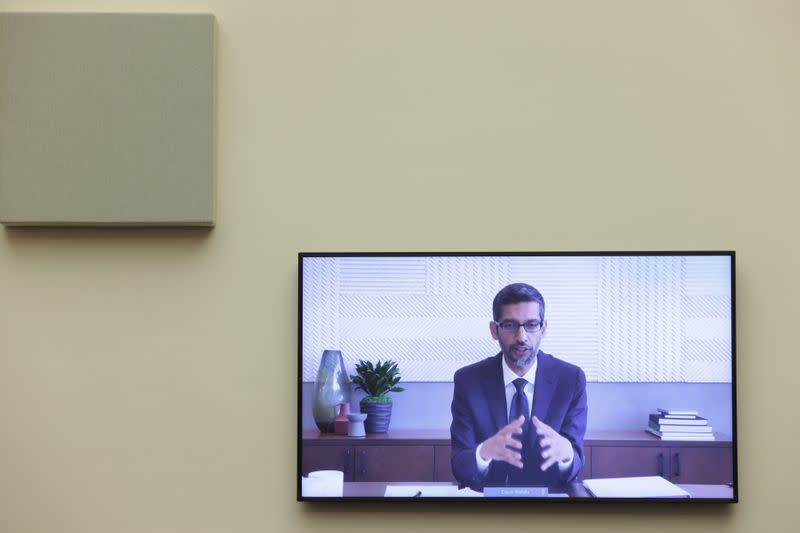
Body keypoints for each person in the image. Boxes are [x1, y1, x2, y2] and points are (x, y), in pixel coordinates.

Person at [450, 283, 588, 491]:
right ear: (494, 330)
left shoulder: (570, 379)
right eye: (510, 325)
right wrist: (482, 453)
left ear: (544, 329)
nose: (521, 337)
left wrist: (567, 455)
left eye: (531, 325)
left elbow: (575, 463)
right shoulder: (468, 381)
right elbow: (459, 464)